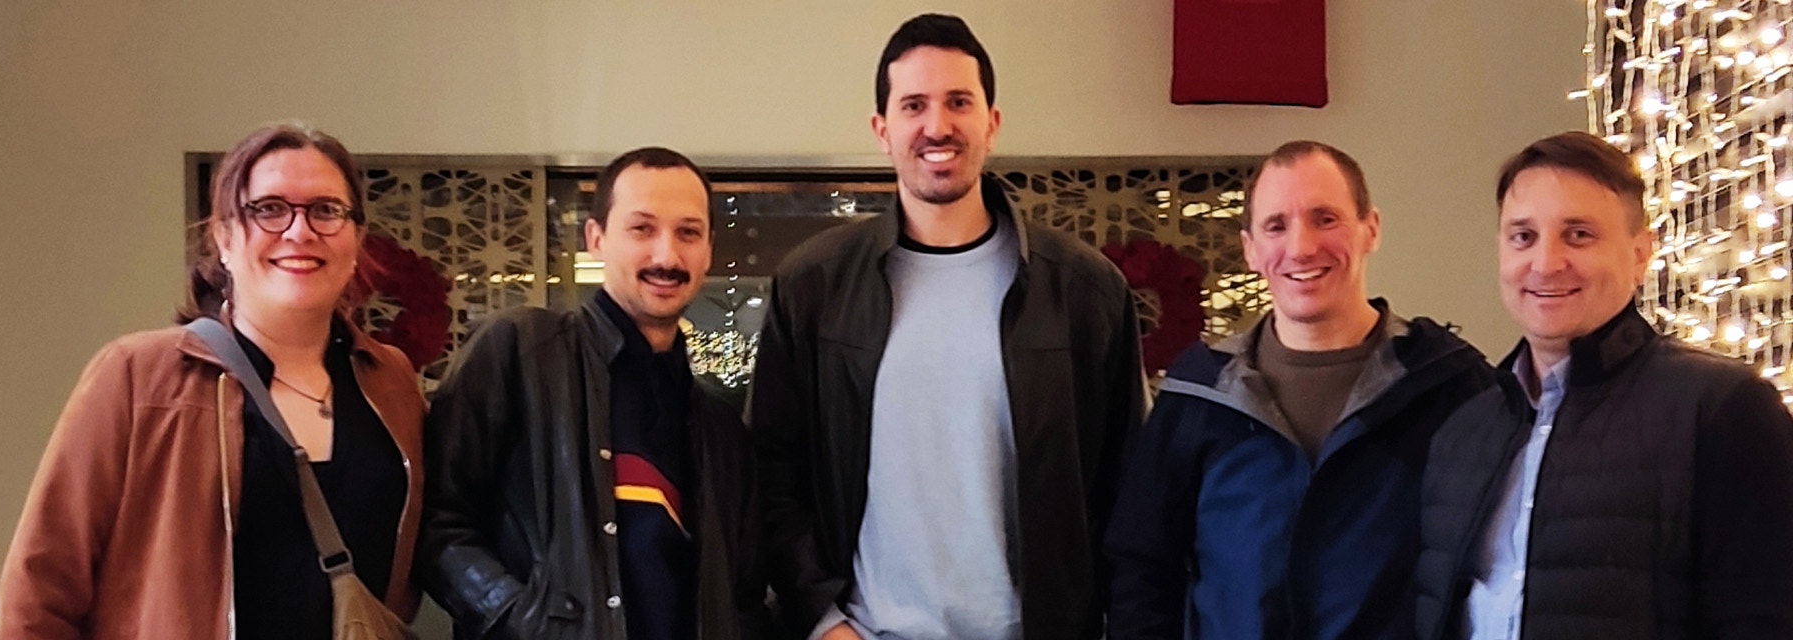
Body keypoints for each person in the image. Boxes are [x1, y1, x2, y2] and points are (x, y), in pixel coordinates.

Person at [750, 13, 1145, 640]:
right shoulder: (814, 285)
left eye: (959, 102)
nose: (938, 126)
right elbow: (771, 474)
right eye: (914, 105)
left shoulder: (1084, 291)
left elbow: (1130, 491)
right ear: (882, 130)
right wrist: (824, 620)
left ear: (991, 121)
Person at [0, 123, 426, 639]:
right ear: (223, 237)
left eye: (325, 210)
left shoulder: (391, 381)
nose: (299, 231)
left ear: (356, 237)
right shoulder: (138, 376)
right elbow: (40, 590)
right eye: (268, 208)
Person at [1107, 140, 1495, 640]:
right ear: (1250, 249)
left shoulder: (1449, 385)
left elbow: (1491, 570)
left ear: (1370, 228)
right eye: (1276, 226)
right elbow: (1141, 570)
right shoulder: (1197, 396)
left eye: (1325, 218)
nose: (1302, 247)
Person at [1413, 131, 1793, 640]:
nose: (1546, 263)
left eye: (1579, 235)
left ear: (1639, 255)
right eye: (1523, 237)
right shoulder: (1463, 430)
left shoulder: (1722, 408)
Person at [417, 147, 768, 640]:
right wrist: (525, 621)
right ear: (595, 239)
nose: (666, 255)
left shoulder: (720, 426)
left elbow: (744, 596)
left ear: (708, 250)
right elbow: (437, 522)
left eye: (687, 232)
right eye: (642, 229)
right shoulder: (519, 352)